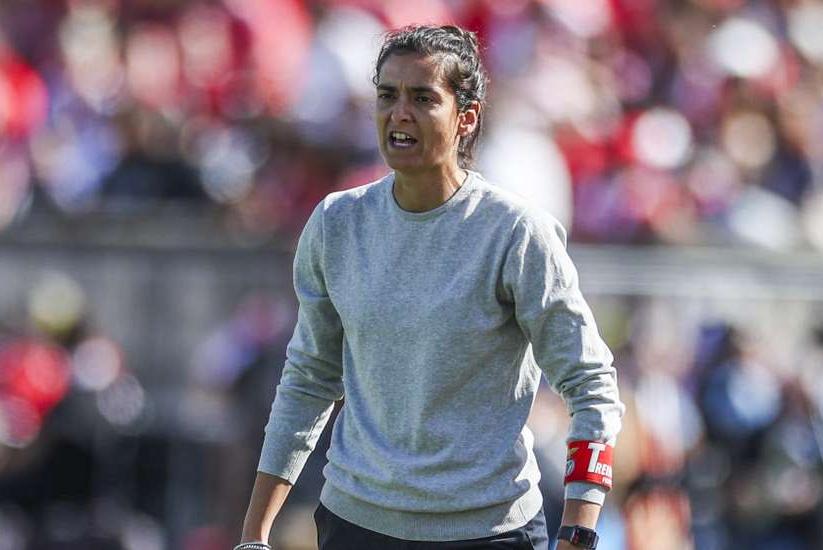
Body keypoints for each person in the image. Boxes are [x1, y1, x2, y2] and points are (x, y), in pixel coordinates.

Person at [235, 24, 623, 550]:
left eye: (422, 98)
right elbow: (308, 380)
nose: (399, 114)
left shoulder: (516, 233)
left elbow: (591, 385)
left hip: (490, 533)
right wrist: (255, 532)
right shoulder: (336, 222)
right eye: (387, 96)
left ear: (467, 118)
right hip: (355, 527)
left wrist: (578, 530)